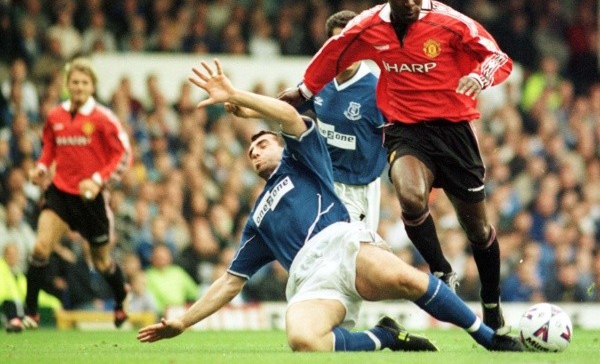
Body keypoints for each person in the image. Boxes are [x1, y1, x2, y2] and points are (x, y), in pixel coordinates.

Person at [137, 59, 523, 352]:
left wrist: (236, 96)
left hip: (342, 243)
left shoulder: (303, 158)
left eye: (264, 141)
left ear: (280, 144)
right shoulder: (257, 218)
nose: (256, 149)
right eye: (251, 150)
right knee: (303, 340)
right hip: (309, 278)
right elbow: (230, 282)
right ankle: (382, 337)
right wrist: (183, 322)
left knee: (408, 280)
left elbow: (289, 114)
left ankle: (490, 338)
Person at [278, 0, 512, 332]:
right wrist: (306, 89)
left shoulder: (450, 22)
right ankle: (440, 269)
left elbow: (497, 57)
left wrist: (477, 76)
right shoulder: (370, 25)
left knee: (479, 231)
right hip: (406, 128)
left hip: (454, 132)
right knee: (411, 198)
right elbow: (336, 52)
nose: (409, 1)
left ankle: (492, 302)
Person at [23, 57, 132, 329]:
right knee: (39, 248)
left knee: (102, 262)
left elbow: (123, 155)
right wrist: (40, 168)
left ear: (92, 86)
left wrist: (97, 180)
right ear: (67, 84)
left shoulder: (103, 118)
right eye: (75, 82)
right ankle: (30, 312)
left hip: (91, 200)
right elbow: (49, 147)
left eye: (85, 82)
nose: (79, 86)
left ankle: (120, 299)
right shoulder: (55, 116)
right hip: (60, 193)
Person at [296, 10, 387, 231]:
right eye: (340, 44)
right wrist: (248, 108)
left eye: (353, 45)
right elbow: (287, 109)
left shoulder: (378, 89)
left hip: (358, 189)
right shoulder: (318, 81)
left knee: (353, 258)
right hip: (324, 182)